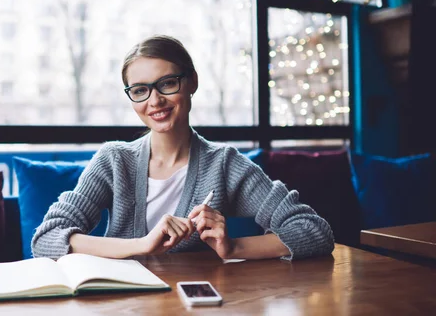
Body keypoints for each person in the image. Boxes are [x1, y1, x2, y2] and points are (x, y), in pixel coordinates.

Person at [32, 35, 334, 261]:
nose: (155, 101)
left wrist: (233, 247)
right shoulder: (114, 161)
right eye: (140, 90)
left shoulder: (225, 165)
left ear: (192, 82)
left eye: (167, 83)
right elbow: (46, 239)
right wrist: (142, 244)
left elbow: (314, 231)